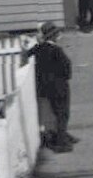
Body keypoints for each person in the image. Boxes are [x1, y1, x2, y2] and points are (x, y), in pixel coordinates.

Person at [21, 22, 76, 152]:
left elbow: (27, 54)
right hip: (60, 86)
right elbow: (66, 67)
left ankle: (61, 135)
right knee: (62, 114)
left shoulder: (39, 49)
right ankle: (61, 142)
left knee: (55, 112)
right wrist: (66, 77)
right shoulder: (57, 50)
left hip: (46, 88)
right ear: (54, 36)